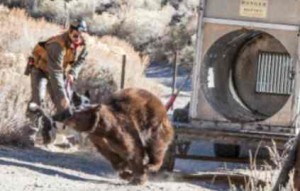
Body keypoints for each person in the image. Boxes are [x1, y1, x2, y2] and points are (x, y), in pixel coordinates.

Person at [25, 19, 88, 131]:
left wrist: (73, 72)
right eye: (75, 34)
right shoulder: (57, 45)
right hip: (40, 70)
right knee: (38, 100)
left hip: (58, 72)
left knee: (63, 106)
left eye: (80, 34)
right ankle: (30, 130)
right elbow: (55, 72)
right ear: (70, 31)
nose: (77, 37)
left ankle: (58, 134)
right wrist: (62, 95)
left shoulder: (83, 45)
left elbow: (82, 59)